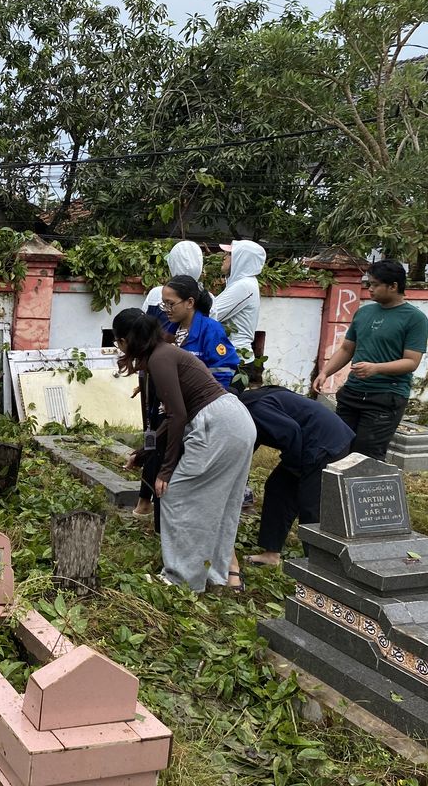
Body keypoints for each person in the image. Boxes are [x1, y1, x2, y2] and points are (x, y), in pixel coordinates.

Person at [115, 308, 255, 592]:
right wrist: (144, 453)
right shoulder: (164, 352)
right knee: (221, 504)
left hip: (216, 424)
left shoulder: (159, 358)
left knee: (175, 494)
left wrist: (165, 471)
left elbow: (177, 416)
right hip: (234, 420)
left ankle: (180, 579)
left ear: (126, 340)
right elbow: (171, 418)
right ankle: (214, 575)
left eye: (118, 341)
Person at [312, 259, 428, 461]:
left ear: (393, 286)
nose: (369, 289)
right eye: (369, 283)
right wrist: (325, 373)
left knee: (366, 456)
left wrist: (376, 368)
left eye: (375, 284)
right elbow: (347, 349)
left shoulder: (415, 318)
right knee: (336, 449)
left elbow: (411, 361)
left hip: (385, 396)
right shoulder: (364, 312)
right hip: (352, 392)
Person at [239, 386, 354, 567]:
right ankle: (271, 554)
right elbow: (246, 448)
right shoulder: (251, 403)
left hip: (325, 443)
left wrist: (295, 469)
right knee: (278, 489)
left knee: (310, 505)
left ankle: (319, 565)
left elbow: (291, 432)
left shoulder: (255, 409)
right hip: (310, 442)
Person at [133, 241, 204, 521]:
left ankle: (144, 500)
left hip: (158, 375)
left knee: (154, 433)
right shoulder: (201, 296)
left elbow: (141, 332)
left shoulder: (156, 293)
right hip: (188, 380)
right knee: (172, 435)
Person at [160, 275, 239, 389]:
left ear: (190, 303)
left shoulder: (211, 330)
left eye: (171, 304)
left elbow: (223, 371)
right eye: (164, 304)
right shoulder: (170, 332)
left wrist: (209, 398)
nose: (166, 309)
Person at [210, 239, 266, 383]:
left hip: (236, 361)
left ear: (241, 259)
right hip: (231, 357)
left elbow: (211, 314)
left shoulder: (244, 286)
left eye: (228, 254)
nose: (224, 257)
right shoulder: (240, 283)